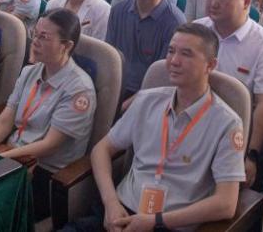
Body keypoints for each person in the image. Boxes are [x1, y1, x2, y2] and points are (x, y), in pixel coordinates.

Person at [78, 23, 245, 231]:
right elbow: (101, 150)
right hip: (121, 213)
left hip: (171, 224)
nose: (174, 61)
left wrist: (155, 221)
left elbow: (226, 204)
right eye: (171, 51)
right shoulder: (146, 101)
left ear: (210, 65)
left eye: (186, 54)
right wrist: (111, 203)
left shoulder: (227, 123)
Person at [0, 9, 96, 216]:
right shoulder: (29, 72)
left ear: (66, 46)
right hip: (12, 154)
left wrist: (0, 158)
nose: (35, 41)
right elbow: (5, 121)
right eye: (35, 33)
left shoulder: (79, 90)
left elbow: (49, 145)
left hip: (43, 172)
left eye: (43, 37)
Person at [195, 0, 263, 188]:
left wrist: (251, 154)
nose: (213, 3)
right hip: (191, 126)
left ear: (246, 1)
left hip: (233, 136)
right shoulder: (196, 31)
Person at [106, 0, 185, 106]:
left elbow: (162, 79)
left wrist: (129, 105)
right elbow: (109, 58)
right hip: (114, 89)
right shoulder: (118, 11)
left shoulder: (174, 23)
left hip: (151, 98)